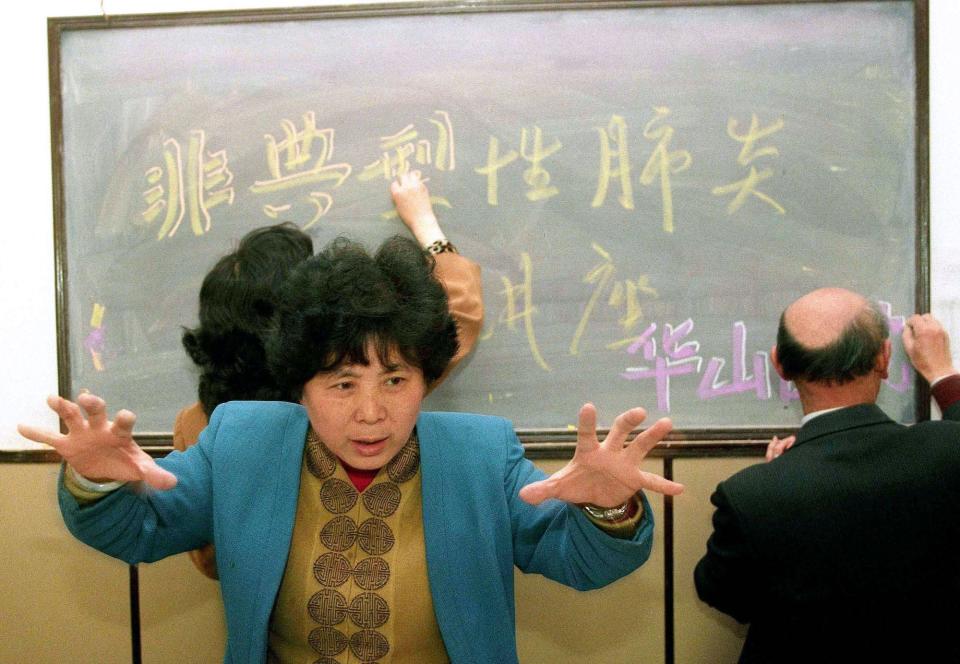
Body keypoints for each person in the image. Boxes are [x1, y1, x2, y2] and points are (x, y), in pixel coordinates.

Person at [19, 233, 683, 664]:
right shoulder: (244, 442)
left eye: (396, 380)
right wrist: (101, 484)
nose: (372, 412)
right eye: (342, 383)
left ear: (426, 379)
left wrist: (609, 511)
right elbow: (139, 527)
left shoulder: (479, 454)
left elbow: (580, 561)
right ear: (301, 386)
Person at [173, 171, 483, 580]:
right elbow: (457, 313)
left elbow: (210, 559)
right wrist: (426, 224)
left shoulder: (197, 424)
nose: (368, 412)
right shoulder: (349, 401)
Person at [694, 288, 960, 662]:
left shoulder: (753, 496)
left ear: (779, 365)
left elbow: (722, 592)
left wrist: (778, 486)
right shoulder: (947, 452)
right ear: (884, 358)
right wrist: (943, 373)